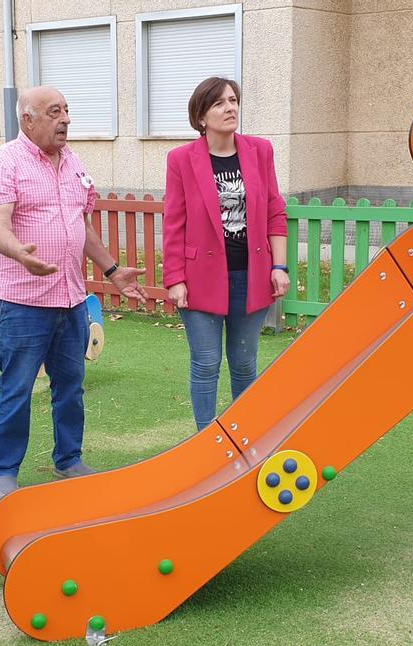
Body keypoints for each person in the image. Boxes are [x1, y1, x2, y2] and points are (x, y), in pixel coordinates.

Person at [0, 86, 147, 501]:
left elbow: (81, 227)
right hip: (22, 301)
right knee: (16, 387)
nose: (65, 119)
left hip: (71, 299)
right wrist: (20, 253)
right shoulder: (2, 163)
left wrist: (111, 269)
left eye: (67, 110)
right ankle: (4, 471)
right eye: (55, 112)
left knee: (71, 384)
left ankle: (68, 459)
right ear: (28, 120)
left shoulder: (72, 163)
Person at [162, 77, 290, 431]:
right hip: (200, 278)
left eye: (233, 100)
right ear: (201, 116)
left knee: (245, 363)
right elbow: (174, 221)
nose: (230, 108)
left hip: (252, 276)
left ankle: (243, 433)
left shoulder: (260, 151)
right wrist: (175, 278)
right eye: (219, 103)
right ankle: (206, 438)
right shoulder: (181, 159)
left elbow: (275, 212)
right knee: (205, 362)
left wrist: (279, 266)